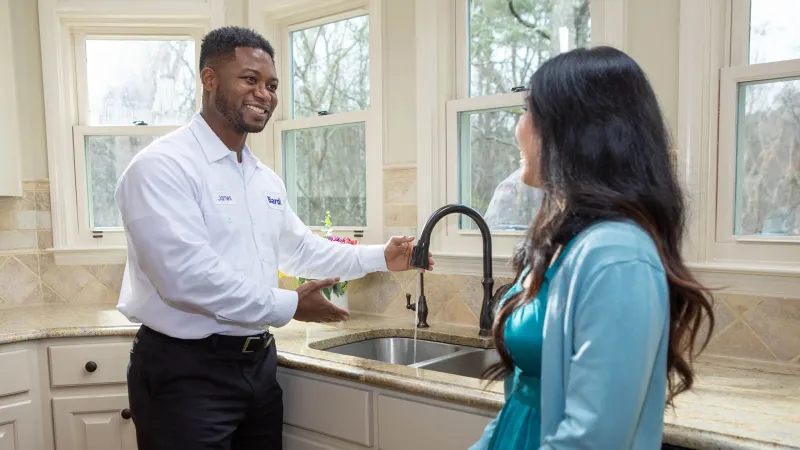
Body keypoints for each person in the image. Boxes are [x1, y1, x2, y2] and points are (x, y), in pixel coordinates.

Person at [114, 26, 432, 450]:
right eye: (250, 79)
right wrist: (289, 305)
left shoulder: (262, 177)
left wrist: (383, 258)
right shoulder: (162, 167)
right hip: (185, 372)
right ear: (210, 79)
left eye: (272, 85)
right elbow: (185, 279)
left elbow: (298, 248)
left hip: (259, 367)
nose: (264, 94)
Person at [470, 46, 715, 449]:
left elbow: (593, 439)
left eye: (529, 111)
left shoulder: (617, 256)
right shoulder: (567, 241)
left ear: (575, 131)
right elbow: (522, 399)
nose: (519, 128)